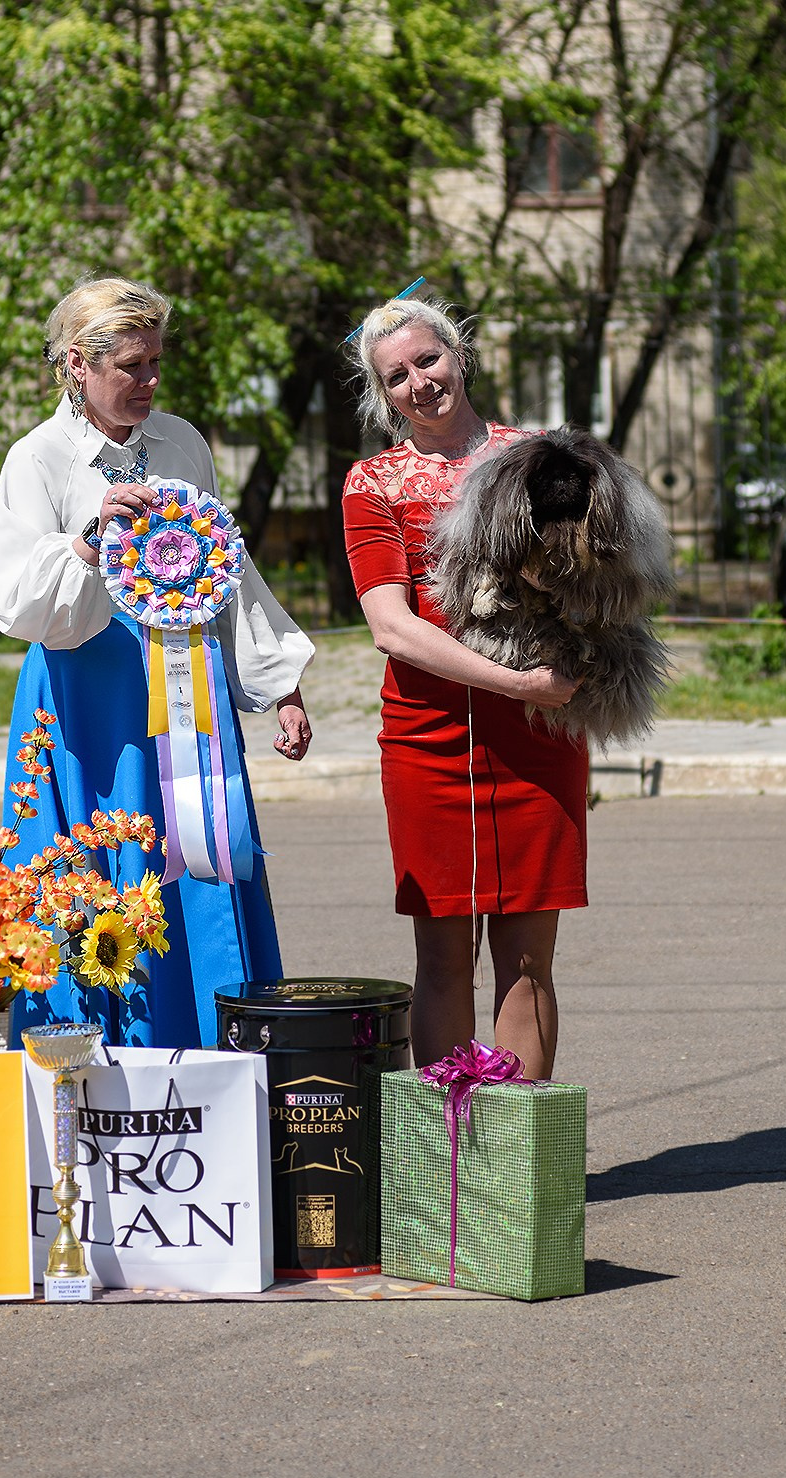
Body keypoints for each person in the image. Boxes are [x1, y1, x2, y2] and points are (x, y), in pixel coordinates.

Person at [0, 276, 313, 1048]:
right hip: (84, 701)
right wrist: (86, 543)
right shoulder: (35, 459)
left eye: (156, 363)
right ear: (77, 364)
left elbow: (227, 570)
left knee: (199, 862)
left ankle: (213, 1063)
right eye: (132, 366)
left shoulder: (183, 442)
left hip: (188, 691)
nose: (150, 381)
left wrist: (281, 687)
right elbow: (16, 600)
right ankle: (89, 1081)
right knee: (95, 881)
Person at [342, 295, 584, 1079]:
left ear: (460, 356)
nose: (420, 382)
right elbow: (392, 627)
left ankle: (517, 1163)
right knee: (443, 958)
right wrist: (518, 680)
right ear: (384, 396)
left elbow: (593, 581)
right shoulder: (372, 481)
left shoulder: (540, 455)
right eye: (398, 376)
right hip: (428, 740)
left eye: (429, 360)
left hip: (540, 735)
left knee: (526, 963)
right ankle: (452, 1162)